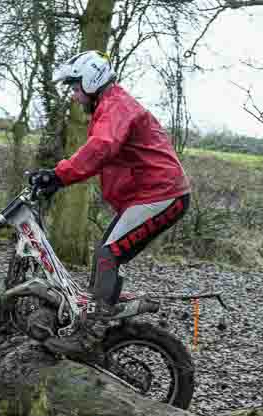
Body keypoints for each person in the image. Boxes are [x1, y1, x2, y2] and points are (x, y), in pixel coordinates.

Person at [38, 49, 191, 321]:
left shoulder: (116, 106)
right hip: (151, 194)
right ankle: (99, 317)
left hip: (161, 193)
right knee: (106, 253)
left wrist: (59, 175)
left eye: (75, 87)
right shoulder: (110, 104)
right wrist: (58, 176)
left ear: (91, 81)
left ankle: (94, 329)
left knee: (109, 253)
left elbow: (101, 148)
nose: (73, 95)